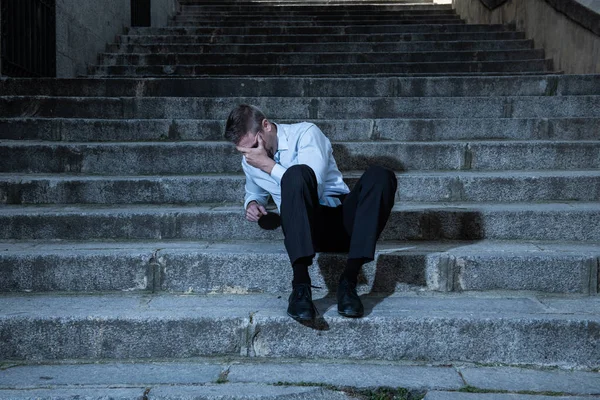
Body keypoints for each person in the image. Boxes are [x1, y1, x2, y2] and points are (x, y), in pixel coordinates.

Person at [224, 104, 397, 321]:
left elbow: (312, 185)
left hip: (343, 221)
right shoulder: (251, 159)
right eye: (244, 151)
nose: (251, 153)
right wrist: (252, 204)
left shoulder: (306, 133)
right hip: (306, 230)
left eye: (254, 145)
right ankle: (300, 287)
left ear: (266, 125)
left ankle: (348, 282)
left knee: (380, 175)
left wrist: (268, 165)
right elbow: (254, 191)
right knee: (294, 176)